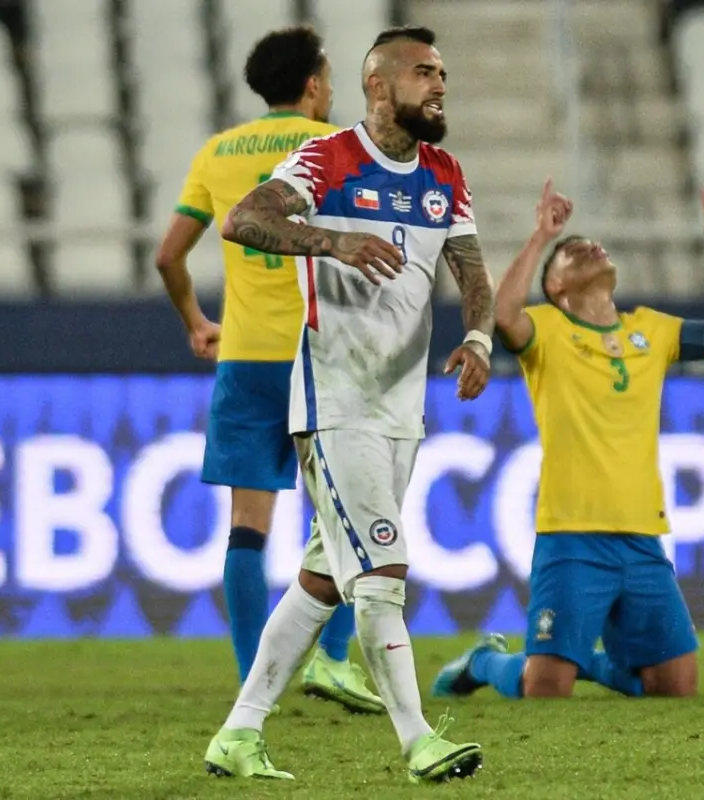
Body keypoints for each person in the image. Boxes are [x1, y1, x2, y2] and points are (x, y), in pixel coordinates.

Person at [202, 26, 496, 783]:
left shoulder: (444, 171)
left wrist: (481, 337)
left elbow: (470, 267)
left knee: (325, 579)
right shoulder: (328, 159)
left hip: (402, 409)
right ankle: (418, 740)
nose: (439, 86)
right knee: (383, 572)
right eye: (424, 73)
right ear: (378, 84)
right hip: (335, 406)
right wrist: (330, 243)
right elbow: (244, 219)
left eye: (443, 74)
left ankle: (239, 733)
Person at [432, 181, 704, 702]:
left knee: (675, 690)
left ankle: (586, 660)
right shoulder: (545, 331)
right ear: (558, 290)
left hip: (641, 536)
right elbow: (501, 316)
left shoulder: (652, 332)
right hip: (572, 536)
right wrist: (542, 236)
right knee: (545, 692)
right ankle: (486, 662)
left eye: (590, 244)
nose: (586, 246)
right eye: (569, 253)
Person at [154, 25, 381, 715]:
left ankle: (257, 680)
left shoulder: (218, 152)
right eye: (330, 79)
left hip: (246, 358)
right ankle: (335, 662)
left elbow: (169, 256)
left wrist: (197, 322)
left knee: (246, 528)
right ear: (313, 85)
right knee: (345, 520)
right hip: (322, 355)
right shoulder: (336, 150)